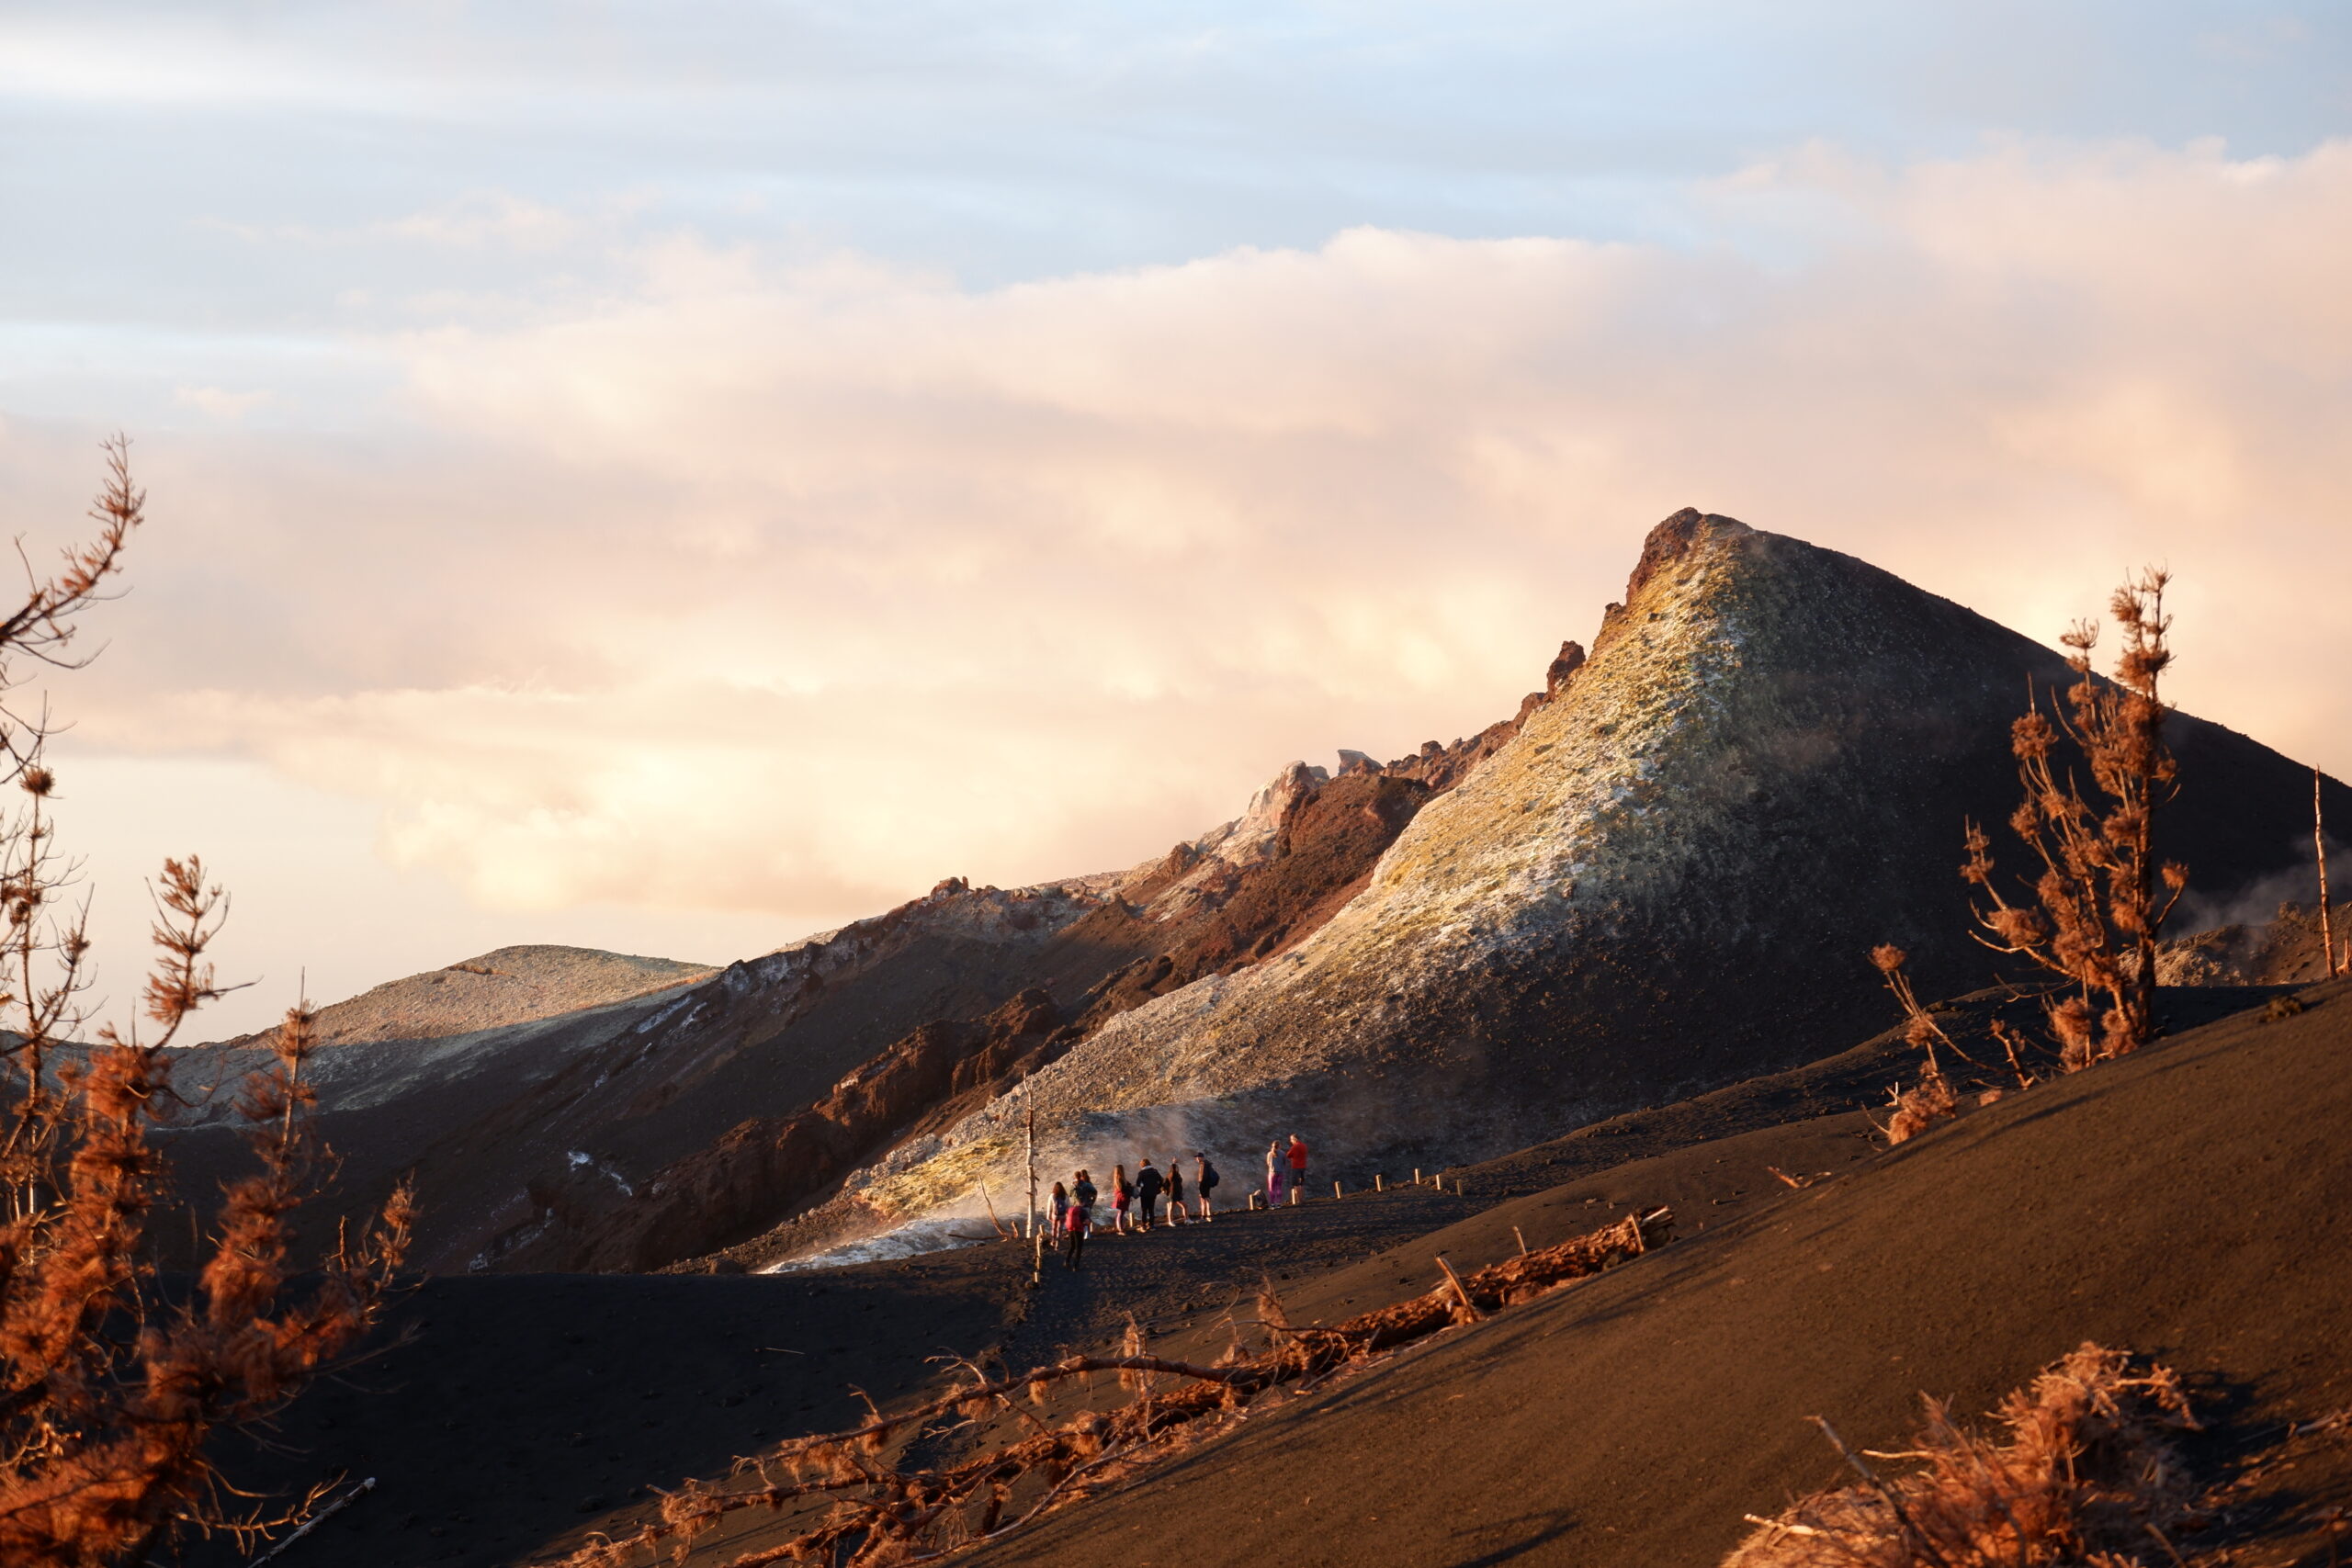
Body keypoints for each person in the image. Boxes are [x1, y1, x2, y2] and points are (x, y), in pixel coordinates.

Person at [1061, 1189, 1091, 1269]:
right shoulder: (1083, 1211)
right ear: (1083, 1202)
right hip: (1079, 1230)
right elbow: (1087, 1222)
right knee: (1079, 1248)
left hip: (1070, 1230)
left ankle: (1066, 1261)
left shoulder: (1070, 1210)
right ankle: (1075, 1265)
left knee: (1072, 1246)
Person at [1135, 1158, 1165, 1230]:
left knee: (1144, 1209)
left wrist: (1143, 1185)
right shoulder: (1155, 1171)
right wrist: (1157, 1188)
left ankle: (1143, 1225)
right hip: (1153, 1193)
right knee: (1151, 1209)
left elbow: (1138, 1183)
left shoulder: (1141, 1173)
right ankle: (1151, 1225)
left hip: (1144, 1193)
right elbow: (1161, 1180)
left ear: (1142, 1165)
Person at [1194, 1152, 1219, 1221]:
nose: (1196, 1158)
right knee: (1207, 1199)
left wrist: (1201, 1185)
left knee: (1203, 1200)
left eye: (1198, 1157)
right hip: (1207, 1184)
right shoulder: (1207, 1164)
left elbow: (1203, 1176)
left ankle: (1203, 1216)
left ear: (1201, 1157)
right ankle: (1209, 1216)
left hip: (1203, 1184)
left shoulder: (1203, 1164)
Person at [1111, 1164, 1134, 1235]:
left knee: (1121, 1213)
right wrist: (1130, 1188)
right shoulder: (1120, 1179)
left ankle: (1120, 1228)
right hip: (1122, 1197)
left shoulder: (1117, 1179)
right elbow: (1123, 1189)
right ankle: (1120, 1229)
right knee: (1121, 1213)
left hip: (1120, 1197)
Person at [1166, 1158, 1188, 1224]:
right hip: (1173, 1193)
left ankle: (1186, 1219)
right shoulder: (1172, 1175)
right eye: (1176, 1168)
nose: (1178, 1169)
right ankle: (1170, 1221)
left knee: (1185, 1206)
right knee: (1171, 1208)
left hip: (1177, 1193)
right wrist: (1174, 1163)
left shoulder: (1177, 1175)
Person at [1264, 1139, 1285, 1207]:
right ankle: (1278, 1203)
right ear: (1279, 1146)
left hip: (1272, 1173)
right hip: (1280, 1173)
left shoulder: (1269, 1154)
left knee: (1271, 1188)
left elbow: (1268, 1163)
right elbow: (1284, 1163)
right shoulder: (1283, 1153)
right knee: (1279, 1188)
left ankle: (1273, 1203)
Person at [1287, 1133, 1309, 1197]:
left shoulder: (1295, 1146)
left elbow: (1288, 1155)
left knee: (1296, 1184)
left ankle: (1299, 1200)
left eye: (1291, 1139)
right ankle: (1302, 1198)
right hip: (1303, 1166)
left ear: (1295, 1139)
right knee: (1301, 1183)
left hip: (1296, 1167)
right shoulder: (1304, 1146)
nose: (1291, 1141)